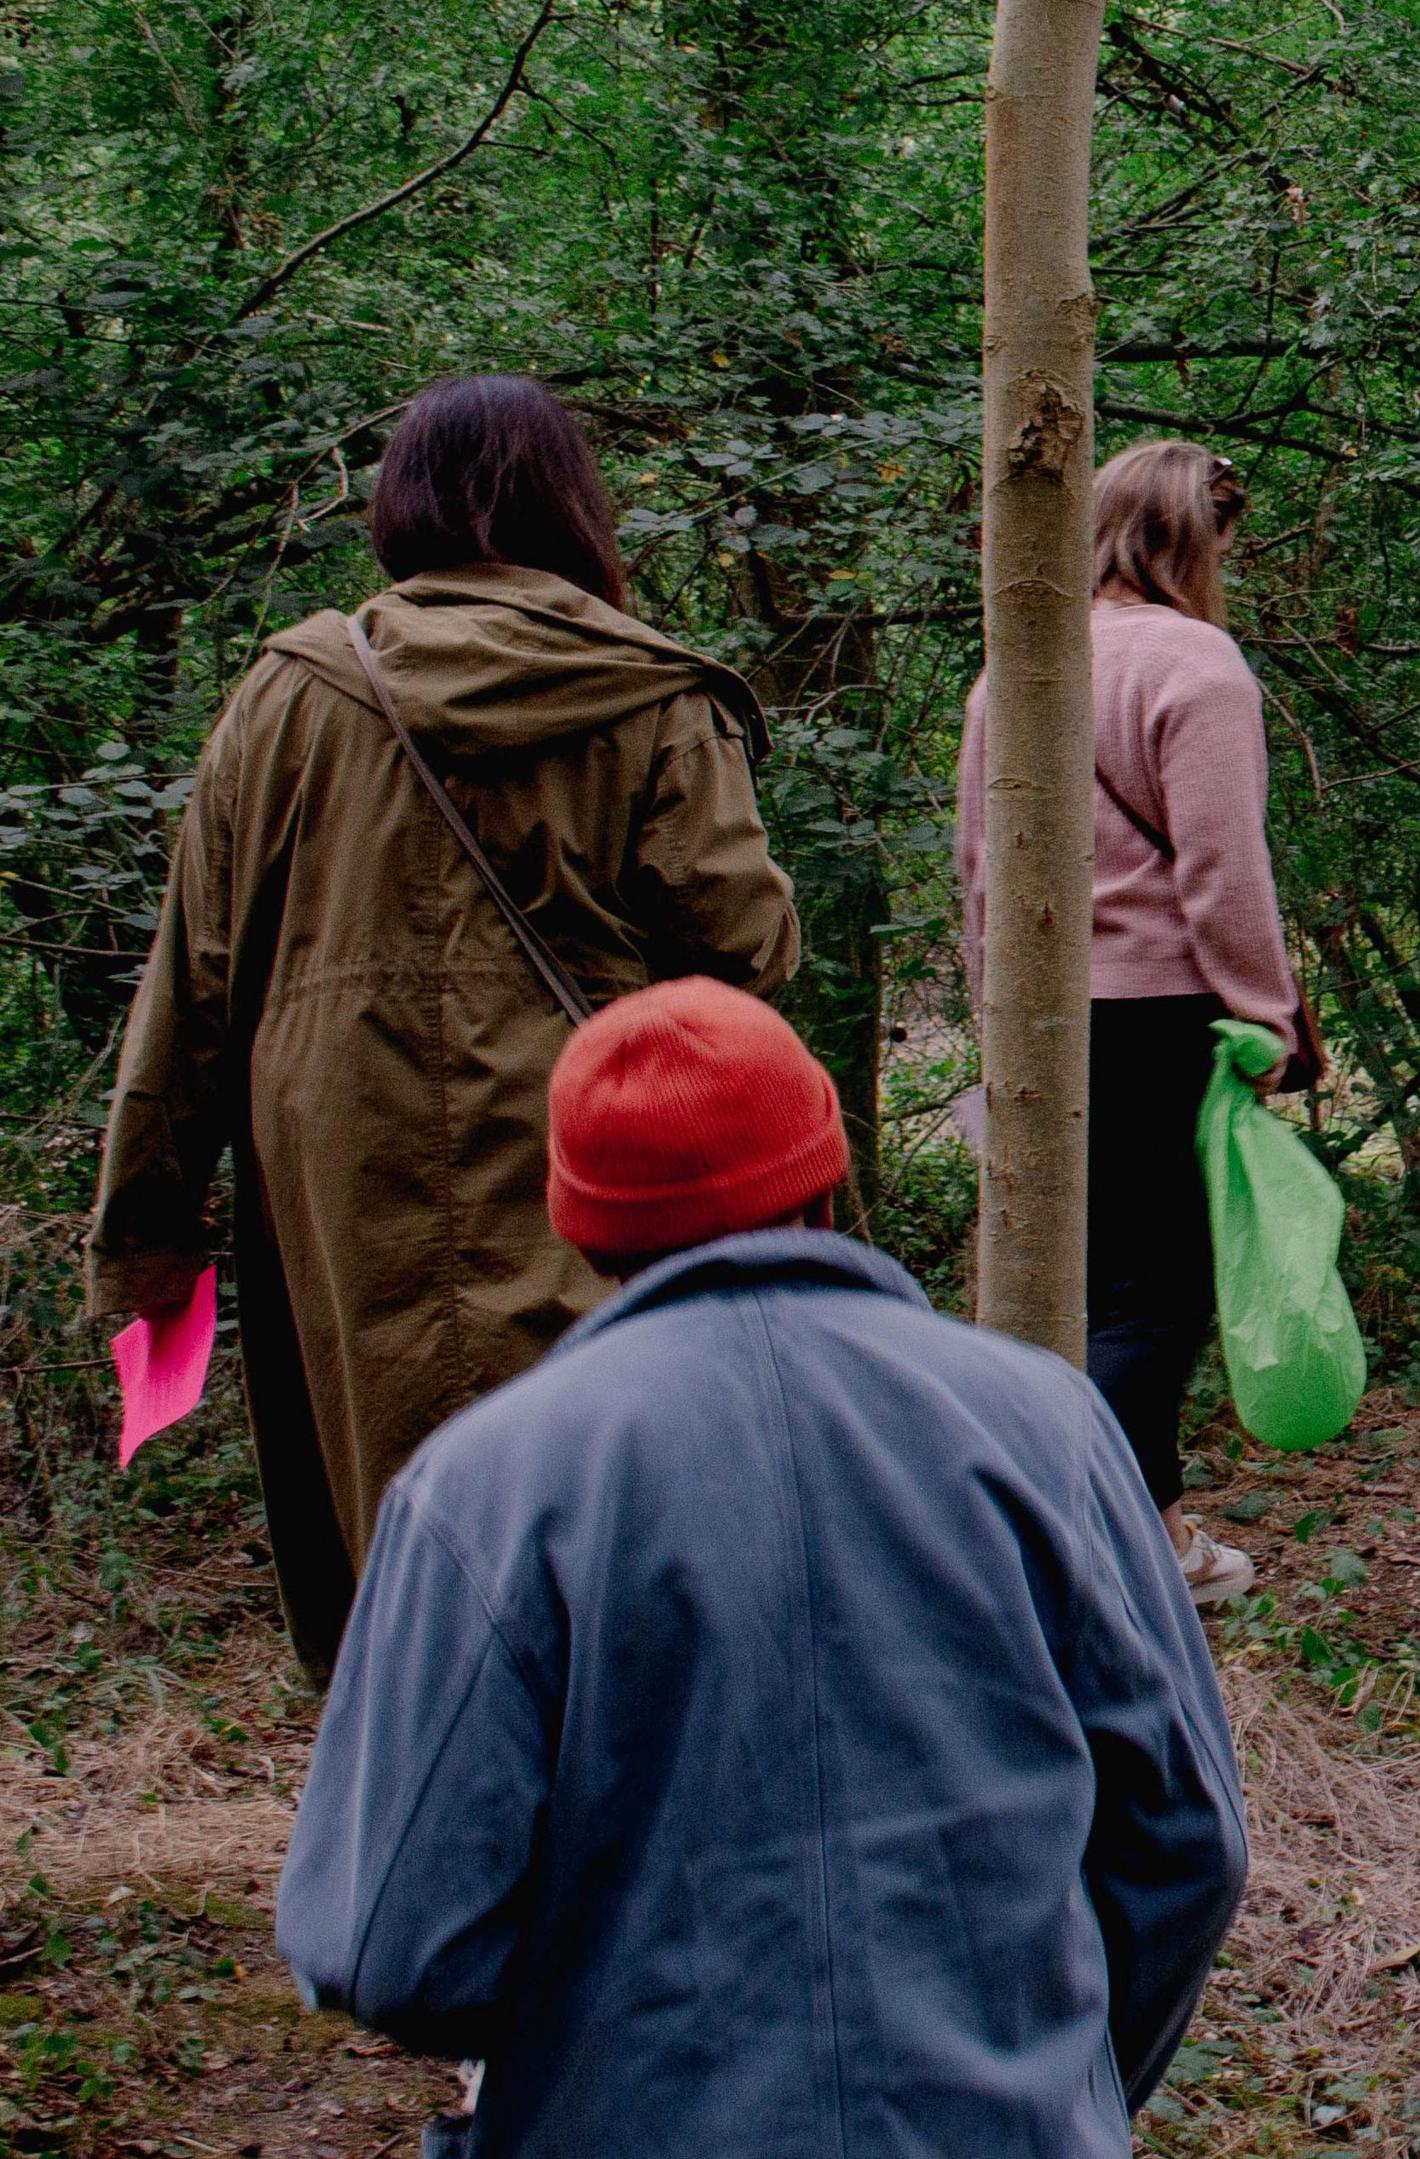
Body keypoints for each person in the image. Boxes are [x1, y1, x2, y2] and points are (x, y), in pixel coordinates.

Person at [279, 978, 1248, 2159]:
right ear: (828, 1181)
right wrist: (1062, 2088)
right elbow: (1189, 1846)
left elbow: (388, 1947)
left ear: (579, 1229)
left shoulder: (486, 1483)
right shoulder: (1051, 1424)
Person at [84, 375, 799, 1678]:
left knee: (413, 1566)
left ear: (397, 509)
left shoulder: (287, 699)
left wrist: (148, 1236)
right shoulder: (649, 699)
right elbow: (744, 959)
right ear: (577, 512)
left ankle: (427, 1821)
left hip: (352, 1199)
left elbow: (190, 989)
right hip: (604, 1186)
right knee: (609, 1541)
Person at [959, 437, 1320, 1606]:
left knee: (1096, 1286)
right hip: (1165, 1013)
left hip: (1042, 1020)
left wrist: (991, 1008)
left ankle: (1156, 1531)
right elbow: (1222, 869)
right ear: (1193, 539)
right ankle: (1042, 1546)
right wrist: (1266, 1015)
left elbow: (978, 870)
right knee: (1161, 1299)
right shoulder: (1198, 665)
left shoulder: (1013, 666)